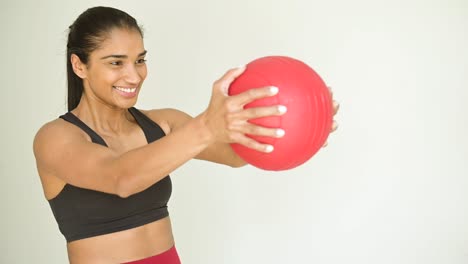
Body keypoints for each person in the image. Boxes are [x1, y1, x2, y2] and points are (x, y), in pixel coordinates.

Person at [33, 6, 339, 264]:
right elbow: (121, 179)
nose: (134, 75)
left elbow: (234, 155)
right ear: (79, 65)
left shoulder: (163, 124)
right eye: (116, 63)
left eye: (140, 60)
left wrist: (295, 132)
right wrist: (207, 125)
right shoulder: (55, 138)